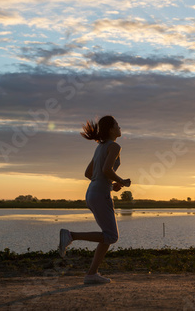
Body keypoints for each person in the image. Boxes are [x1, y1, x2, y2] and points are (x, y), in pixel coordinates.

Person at [58, 115, 131, 284]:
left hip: (93, 192)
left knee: (107, 236)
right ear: (111, 129)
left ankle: (91, 274)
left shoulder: (100, 147)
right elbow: (106, 169)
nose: (120, 128)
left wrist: (110, 185)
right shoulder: (114, 146)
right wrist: (122, 181)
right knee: (112, 236)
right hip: (100, 194)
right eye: (117, 125)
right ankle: (71, 235)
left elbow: (89, 174)